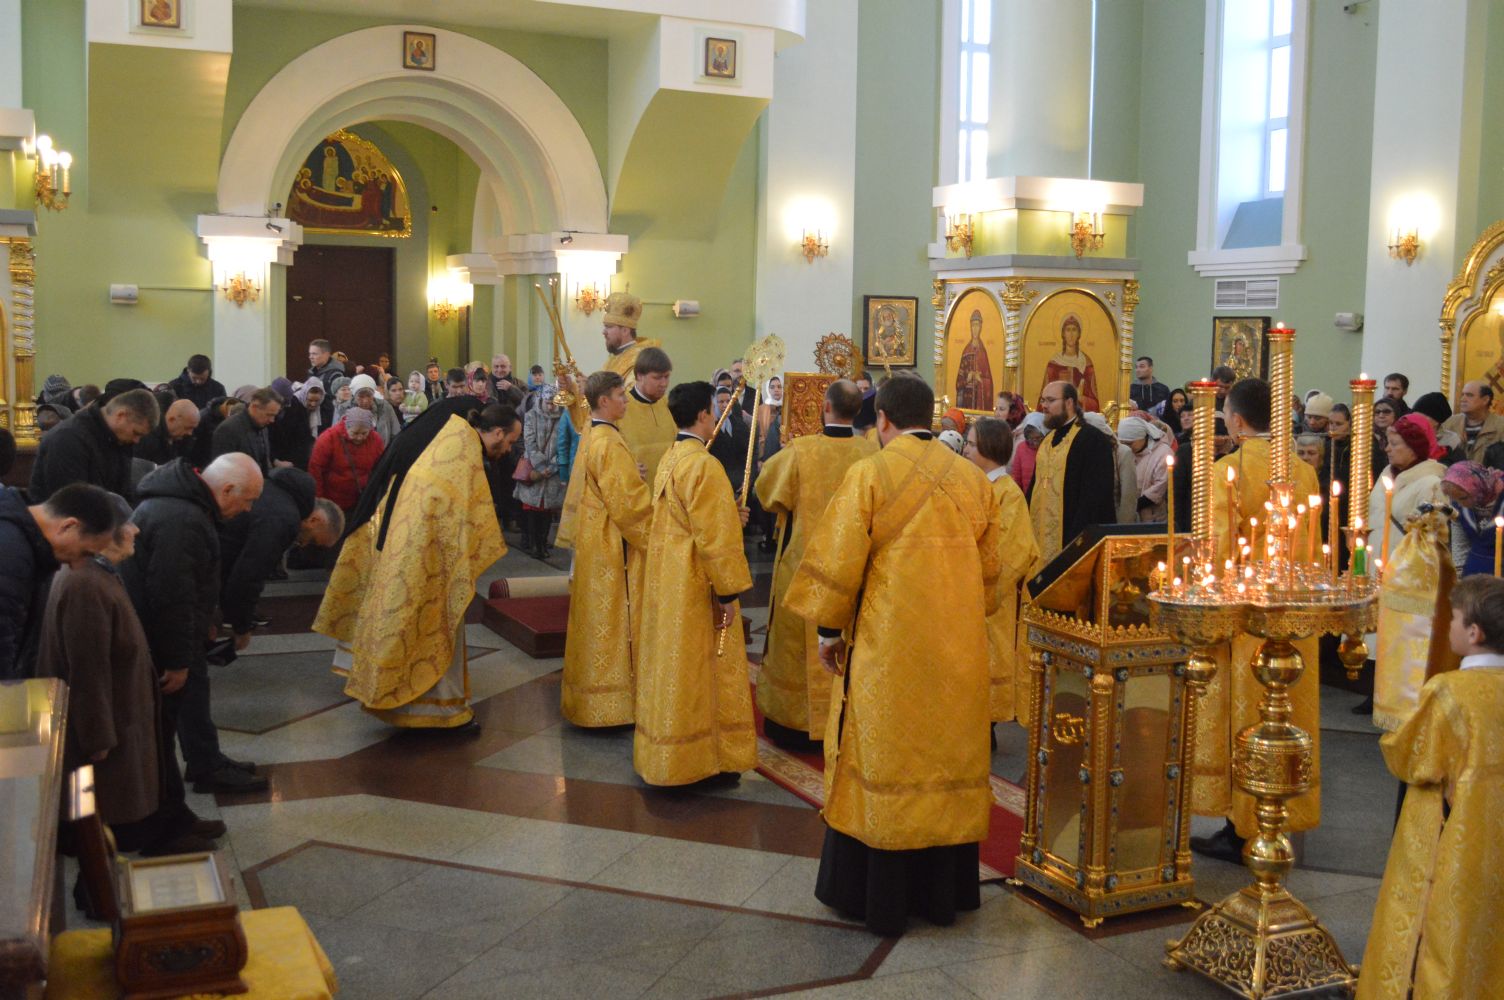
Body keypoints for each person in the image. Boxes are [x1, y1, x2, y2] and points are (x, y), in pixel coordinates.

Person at [782, 374, 1002, 937]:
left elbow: (839, 563)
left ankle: (877, 896)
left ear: (882, 419)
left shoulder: (871, 473)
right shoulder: (973, 480)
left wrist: (829, 633)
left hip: (889, 650)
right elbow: (992, 576)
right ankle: (943, 893)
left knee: (886, 754)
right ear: (930, 416)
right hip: (956, 649)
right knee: (945, 755)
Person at [315, 401, 521, 730]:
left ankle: (408, 695)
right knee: (429, 626)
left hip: (407, 539)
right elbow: (466, 513)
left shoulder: (451, 430)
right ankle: (435, 711)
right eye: (509, 441)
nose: (507, 449)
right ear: (497, 432)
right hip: (429, 554)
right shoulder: (462, 446)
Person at [36, 494, 220, 860]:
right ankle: (100, 883)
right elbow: (87, 670)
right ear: (104, 533)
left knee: (111, 815)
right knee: (99, 825)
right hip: (105, 733)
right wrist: (98, 737)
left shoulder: (95, 574)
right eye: (127, 524)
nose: (135, 529)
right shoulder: (84, 584)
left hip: (119, 720)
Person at [1190, 378, 1324, 863]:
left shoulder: (1228, 469)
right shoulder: (1302, 471)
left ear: (1237, 420)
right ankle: (1278, 815)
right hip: (1296, 612)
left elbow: (1218, 551)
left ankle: (1244, 826)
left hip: (1246, 617)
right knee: (1288, 713)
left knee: (1246, 716)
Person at [1357, 575, 1504, 1000]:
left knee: (1442, 930)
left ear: (1473, 633)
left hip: (1455, 836)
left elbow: (1411, 759)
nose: (1448, 626)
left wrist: (1398, 730)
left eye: (1454, 618)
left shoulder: (1449, 690)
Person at [633, 381, 756, 786]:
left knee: (675, 668)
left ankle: (667, 754)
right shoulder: (703, 465)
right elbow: (713, 537)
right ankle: (702, 761)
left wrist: (728, 513)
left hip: (669, 580)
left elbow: (684, 520)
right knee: (704, 671)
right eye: (712, 410)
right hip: (697, 584)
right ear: (704, 414)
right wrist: (727, 592)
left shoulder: (672, 457)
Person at [122, 454, 266, 795]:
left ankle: (205, 760)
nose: (248, 510)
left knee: (194, 696)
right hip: (161, 636)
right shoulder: (182, 518)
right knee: (170, 713)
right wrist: (177, 660)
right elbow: (171, 595)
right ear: (227, 490)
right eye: (247, 500)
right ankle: (172, 797)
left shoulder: (186, 507)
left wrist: (207, 621)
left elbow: (194, 580)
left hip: (176, 630)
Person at [754, 379, 877, 751]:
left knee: (795, 645)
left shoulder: (800, 451)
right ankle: (842, 719)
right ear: (859, 410)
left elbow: (767, 492)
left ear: (825, 407)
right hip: (854, 568)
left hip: (804, 566)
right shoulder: (870, 453)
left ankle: (792, 725)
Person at [558, 372, 653, 728]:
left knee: (595, 621)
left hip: (592, 540)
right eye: (620, 395)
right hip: (611, 545)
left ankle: (588, 701)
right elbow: (629, 506)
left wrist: (631, 472)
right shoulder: (609, 441)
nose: (626, 401)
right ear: (603, 401)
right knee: (614, 621)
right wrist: (661, 532)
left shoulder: (595, 434)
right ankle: (614, 706)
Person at [0, 482, 118, 680]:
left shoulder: (17, 538)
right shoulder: (11, 554)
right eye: (84, 553)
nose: (76, 564)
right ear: (68, 526)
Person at [964, 416, 1039, 726]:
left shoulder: (1008, 493)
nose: (965, 450)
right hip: (964, 591)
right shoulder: (971, 485)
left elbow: (1015, 550)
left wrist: (976, 580)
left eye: (971, 444)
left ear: (988, 448)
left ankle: (988, 724)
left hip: (992, 597)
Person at [219, 468, 342, 647]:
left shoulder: (275, 492)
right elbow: (248, 577)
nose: (304, 545)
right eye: (313, 542)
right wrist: (242, 627)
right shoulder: (284, 520)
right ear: (314, 520)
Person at [1027, 381, 1118, 567]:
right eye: (1043, 400)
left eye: (1050, 400)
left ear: (1069, 402)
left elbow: (1095, 499)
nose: (1044, 406)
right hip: (1040, 539)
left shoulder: (1093, 440)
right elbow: (1034, 486)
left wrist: (1075, 544)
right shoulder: (1047, 441)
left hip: (1073, 538)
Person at [30, 388, 158, 502]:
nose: (137, 440)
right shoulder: (67, 438)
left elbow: (122, 495)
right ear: (120, 415)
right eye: (136, 433)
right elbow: (68, 503)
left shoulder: (118, 440)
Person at [1371, 414, 1448, 565]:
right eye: (1388, 443)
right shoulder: (1386, 474)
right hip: (1374, 560)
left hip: (1406, 567)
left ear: (1413, 449)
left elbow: (1431, 536)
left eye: (1394, 444)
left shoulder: (1431, 483)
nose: (1387, 449)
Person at [515, 384, 566, 559]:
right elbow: (529, 442)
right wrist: (541, 466)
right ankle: (533, 543)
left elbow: (563, 445)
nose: (550, 406)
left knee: (547, 511)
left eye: (553, 403)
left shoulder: (563, 417)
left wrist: (552, 467)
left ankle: (543, 544)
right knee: (532, 510)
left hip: (553, 472)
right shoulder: (531, 416)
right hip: (533, 469)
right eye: (547, 402)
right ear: (541, 400)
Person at [618, 346, 676, 489]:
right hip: (636, 492)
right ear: (639, 376)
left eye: (666, 377)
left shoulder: (669, 405)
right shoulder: (621, 408)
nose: (664, 384)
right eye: (657, 378)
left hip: (668, 492)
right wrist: (624, 467)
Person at [308, 408, 385, 514]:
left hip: (361, 498)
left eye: (364, 433)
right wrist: (319, 501)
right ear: (346, 427)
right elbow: (316, 470)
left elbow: (381, 467)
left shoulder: (375, 439)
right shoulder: (328, 438)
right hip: (332, 499)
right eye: (355, 433)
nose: (359, 437)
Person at [1441, 462, 1504, 577]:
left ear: (1476, 486)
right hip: (1473, 571)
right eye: (1455, 500)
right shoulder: (1459, 503)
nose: (1461, 504)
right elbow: (1460, 541)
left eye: (1463, 498)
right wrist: (1458, 572)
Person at [600, 291, 662, 390]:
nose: (604, 332)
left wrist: (592, 390)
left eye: (609, 327)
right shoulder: (612, 360)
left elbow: (631, 397)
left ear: (625, 331)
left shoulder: (642, 360)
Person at [211, 386, 281, 473]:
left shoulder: (263, 427)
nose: (272, 420)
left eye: (274, 416)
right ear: (254, 407)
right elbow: (222, 470)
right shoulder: (228, 429)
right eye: (269, 415)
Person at [1117, 415, 1173, 521]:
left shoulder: (1163, 453)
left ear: (1143, 437)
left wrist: (1133, 505)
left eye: (1129, 443)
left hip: (1153, 516)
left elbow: (1160, 486)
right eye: (1122, 444)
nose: (1126, 448)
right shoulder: (1123, 453)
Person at [1041, 313, 1099, 412]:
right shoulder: (1053, 363)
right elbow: (1043, 400)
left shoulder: (1086, 363)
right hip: (1057, 415)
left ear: (1079, 334)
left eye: (1074, 330)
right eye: (1068, 330)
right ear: (1063, 334)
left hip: (1079, 415)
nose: (1071, 334)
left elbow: (1095, 404)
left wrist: (1080, 398)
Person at [1441, 380, 1504, 463]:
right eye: (1462, 395)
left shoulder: (1501, 426)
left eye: (1469, 395)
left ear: (1485, 400)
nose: (1463, 399)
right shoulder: (1450, 423)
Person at [135, 398, 200, 465]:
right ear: (172, 419)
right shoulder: (147, 438)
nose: (190, 433)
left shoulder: (182, 440)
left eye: (192, 429)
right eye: (187, 428)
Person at [954, 309, 994, 410]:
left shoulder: (983, 352)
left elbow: (989, 382)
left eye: (977, 325)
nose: (975, 328)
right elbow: (958, 384)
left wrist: (980, 380)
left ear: (981, 327)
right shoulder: (966, 351)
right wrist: (968, 378)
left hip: (979, 405)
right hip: (966, 402)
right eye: (973, 325)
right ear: (970, 327)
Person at [1010, 411, 1045, 495]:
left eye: (1038, 438)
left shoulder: (1048, 447)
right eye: (1031, 439)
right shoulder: (1021, 448)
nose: (1035, 443)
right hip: (1026, 496)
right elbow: (1017, 477)